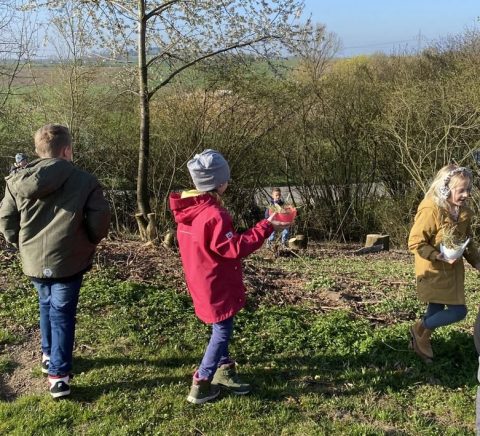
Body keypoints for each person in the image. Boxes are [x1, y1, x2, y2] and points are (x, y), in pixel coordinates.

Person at [169, 149, 288, 404]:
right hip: (217, 283)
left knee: (220, 325)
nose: (228, 182)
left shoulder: (188, 211)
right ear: (219, 182)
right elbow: (234, 248)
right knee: (222, 330)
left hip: (201, 281)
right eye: (225, 178)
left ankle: (224, 369)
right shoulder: (214, 215)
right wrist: (266, 227)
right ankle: (201, 382)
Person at [0, 124, 110, 398]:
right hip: (68, 260)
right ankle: (58, 375)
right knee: (61, 312)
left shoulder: (17, 180)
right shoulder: (85, 180)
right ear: (66, 150)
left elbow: (6, 220)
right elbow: (99, 221)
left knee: (46, 304)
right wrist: (90, 241)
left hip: (33, 260)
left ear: (39, 151)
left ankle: (49, 355)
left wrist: (20, 244)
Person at [408, 164, 480, 361]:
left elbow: (468, 243)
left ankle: (420, 339)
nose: (466, 194)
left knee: (436, 308)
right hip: (433, 271)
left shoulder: (464, 213)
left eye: (469, 189)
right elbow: (415, 242)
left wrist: (477, 262)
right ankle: (420, 329)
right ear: (445, 188)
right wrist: (436, 255)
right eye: (461, 190)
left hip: (452, 272)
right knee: (459, 312)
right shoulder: (431, 210)